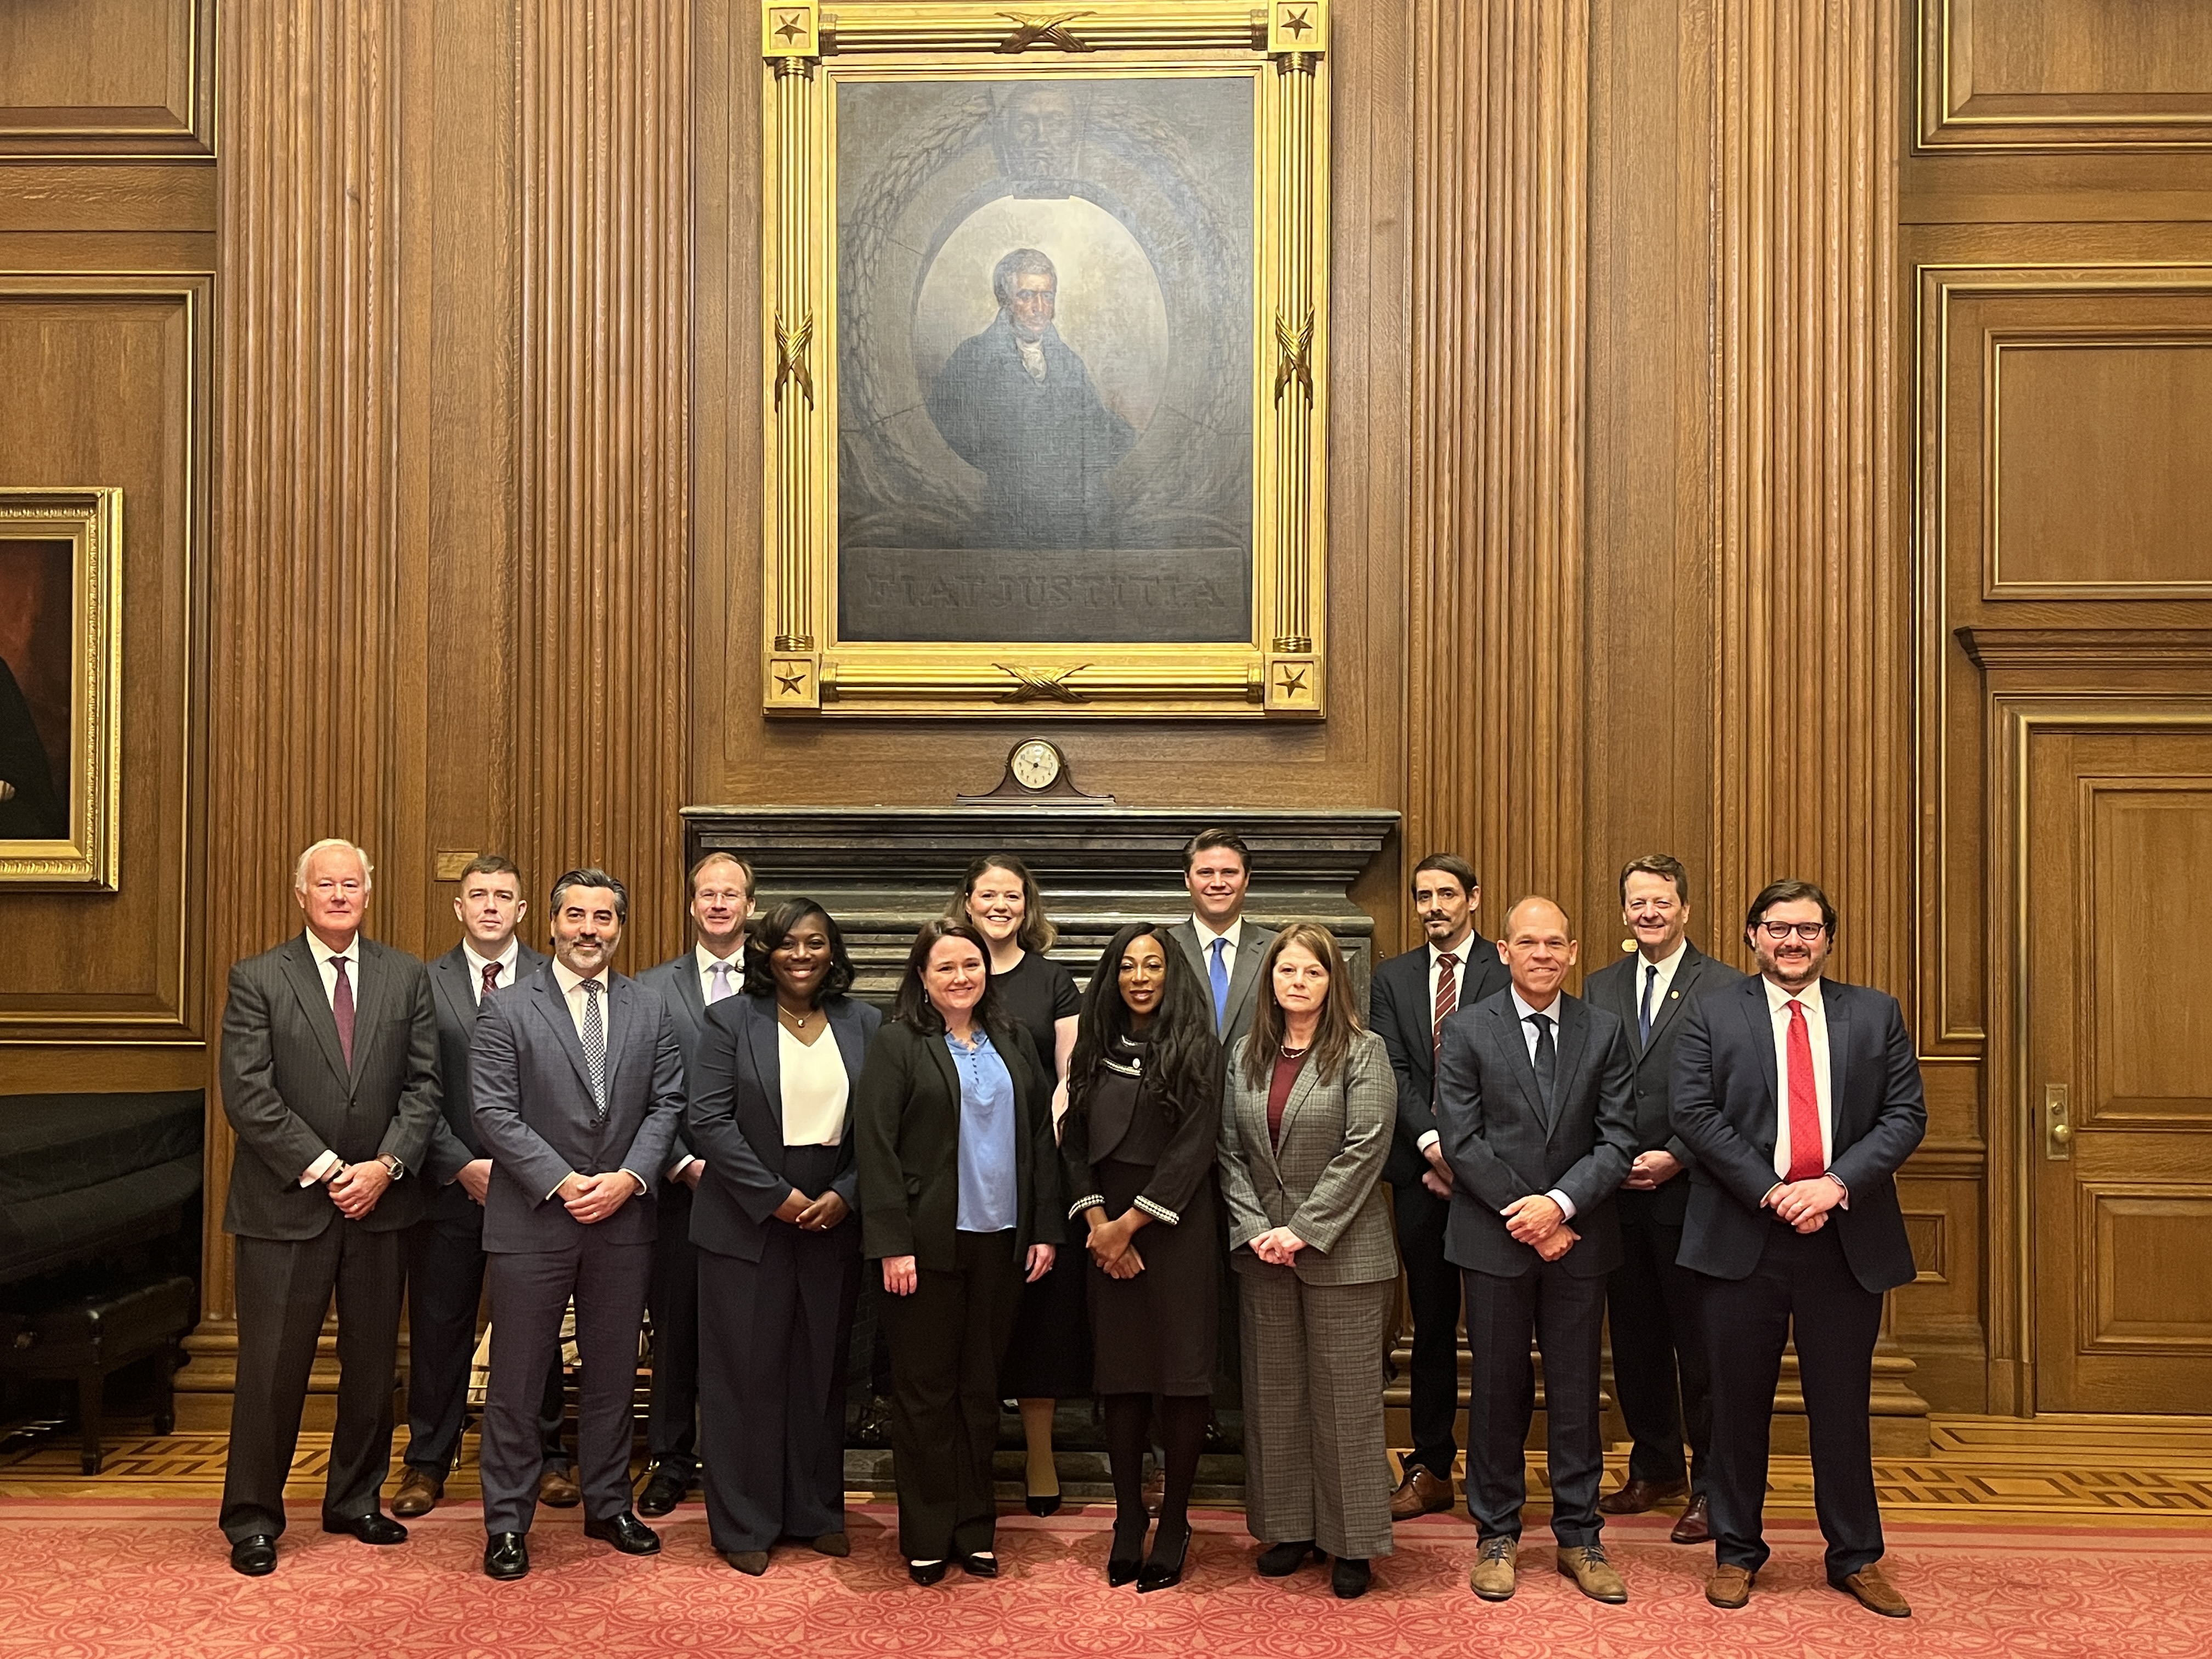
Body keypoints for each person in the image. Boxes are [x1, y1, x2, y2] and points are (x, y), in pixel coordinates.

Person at [1669, 879, 1926, 1618]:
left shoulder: (1874, 1014)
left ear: (1828, 939)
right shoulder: (1713, 1013)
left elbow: (1906, 1115)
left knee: (1841, 1408)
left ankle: (1854, 1555)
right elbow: (1692, 1112)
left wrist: (1834, 1184)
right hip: (1742, 1237)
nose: (1792, 942)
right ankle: (1736, 1551)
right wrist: (1773, 1189)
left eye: (1807, 930)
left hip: (1845, 1240)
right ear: (1753, 935)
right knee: (1736, 1406)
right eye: (1778, 928)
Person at [216, 839, 440, 1577]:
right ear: (301, 893)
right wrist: (327, 1168)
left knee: (374, 1370)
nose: (339, 895)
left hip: (382, 1203)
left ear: (368, 894)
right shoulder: (257, 979)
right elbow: (248, 1095)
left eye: (352, 884)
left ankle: (354, 1500)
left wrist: (385, 1166)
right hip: (286, 1208)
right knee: (273, 1370)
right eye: (326, 884)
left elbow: (424, 1087)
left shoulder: (407, 977)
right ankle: (253, 1518)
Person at [470, 867, 686, 1581]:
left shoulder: (649, 1008)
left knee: (614, 1376)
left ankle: (608, 1503)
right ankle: (507, 1521)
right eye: (576, 916)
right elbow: (492, 1113)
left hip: (623, 1220)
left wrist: (627, 1179)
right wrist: (564, 1182)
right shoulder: (506, 1007)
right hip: (534, 1219)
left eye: (603, 918)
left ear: (620, 927)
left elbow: (667, 1106)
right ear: (554, 923)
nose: (589, 930)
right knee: (518, 1379)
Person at [1435, 896, 1637, 1606]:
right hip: (1494, 1239)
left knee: (1579, 1393)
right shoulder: (1464, 1031)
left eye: (1555, 942)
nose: (1543, 954)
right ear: (1503, 949)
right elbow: (1460, 1140)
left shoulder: (1605, 1031)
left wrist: (1561, 1206)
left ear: (1574, 951)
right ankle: (1497, 1535)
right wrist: (1531, 1214)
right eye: (1529, 942)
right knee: (1495, 1391)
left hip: (1581, 1240)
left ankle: (1581, 1536)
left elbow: (1618, 1139)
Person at [854, 919, 1060, 1585]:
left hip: (1002, 1245)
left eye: (971, 965)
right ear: (922, 977)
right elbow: (876, 1148)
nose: (961, 977)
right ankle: (926, 1531)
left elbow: (1040, 1144)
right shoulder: (897, 1044)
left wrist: (1044, 1228)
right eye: (945, 967)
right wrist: (892, 1243)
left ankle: (975, 1530)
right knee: (924, 1397)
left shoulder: (1013, 1041)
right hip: (925, 1249)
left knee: (980, 1394)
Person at [686, 898, 881, 1575]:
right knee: (745, 1374)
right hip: (747, 1219)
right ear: (764, 951)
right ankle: (745, 1523)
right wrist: (775, 1198)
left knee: (821, 1373)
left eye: (816, 943)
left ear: (834, 952)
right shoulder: (728, 1021)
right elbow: (708, 1120)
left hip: (831, 1217)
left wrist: (845, 1195)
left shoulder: (865, 1022)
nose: (802, 954)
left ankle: (815, 1511)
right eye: (788, 943)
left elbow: (881, 1129)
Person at [1217, 923, 1397, 1601]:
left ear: (1333, 982)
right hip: (1263, 1253)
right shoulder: (1244, 1055)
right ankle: (1290, 1528)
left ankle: (1351, 1543)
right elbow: (1228, 1151)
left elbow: (1366, 1148)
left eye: (1313, 973)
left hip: (1343, 1253)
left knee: (1346, 1404)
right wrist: (1260, 1229)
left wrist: (1303, 1230)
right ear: (1270, 980)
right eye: (1287, 971)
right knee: (1275, 1398)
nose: (1298, 983)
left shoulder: (1363, 1050)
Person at [394, 855, 576, 1518]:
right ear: (459, 908)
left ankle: (550, 1459)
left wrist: (529, 1168)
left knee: (537, 1330)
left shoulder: (554, 978)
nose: (491, 906)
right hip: (452, 1186)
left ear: (526, 912)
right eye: (479, 895)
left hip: (533, 1189)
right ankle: (427, 1463)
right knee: (440, 1328)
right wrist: (459, 1163)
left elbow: (568, 1090)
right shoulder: (423, 982)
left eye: (504, 896)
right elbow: (414, 1085)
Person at [1579, 853, 1743, 1545]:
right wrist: (1616, 1158)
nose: (1649, 913)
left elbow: (1739, 1091)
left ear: (1685, 909)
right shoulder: (1597, 985)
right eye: (1637, 903)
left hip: (1696, 1192)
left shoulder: (1729, 988)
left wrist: (1677, 1153)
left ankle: (1710, 1483)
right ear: (1624, 912)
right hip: (1618, 1197)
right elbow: (1589, 1082)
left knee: (1701, 1346)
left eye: (1662, 902)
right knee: (1637, 1341)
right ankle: (1654, 1466)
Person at [1059, 923, 1223, 1592]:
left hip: (1175, 1228)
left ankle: (1177, 1520)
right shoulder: (1095, 1045)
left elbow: (1196, 1144)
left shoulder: (1198, 1046)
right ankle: (1131, 1518)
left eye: (1153, 965)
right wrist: (1100, 1223)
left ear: (1171, 973)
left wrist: (1131, 1224)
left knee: (1181, 1378)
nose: (1140, 977)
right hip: (1104, 1233)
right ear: (1112, 975)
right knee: (1122, 1377)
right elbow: (1073, 1143)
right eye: (1127, 966)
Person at [1366, 853, 1508, 1521]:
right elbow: (1392, 1069)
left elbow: (1514, 1077)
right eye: (1423, 896)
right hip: (1422, 1180)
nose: (1433, 907)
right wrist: (1433, 1147)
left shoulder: (1504, 970)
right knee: (1428, 1328)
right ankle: (1429, 1465)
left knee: (1497, 1330)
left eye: (1446, 894)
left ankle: (1497, 1470)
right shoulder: (1390, 979)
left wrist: (1472, 1162)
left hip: (1498, 1184)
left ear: (1473, 899)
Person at [948, 853, 1084, 1518]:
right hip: (958, 1177)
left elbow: (1070, 1071)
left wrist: (1044, 1142)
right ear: (967, 903)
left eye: (1012, 896)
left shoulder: (1052, 980)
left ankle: (1038, 1453)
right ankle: (963, 1456)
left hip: (1035, 1168)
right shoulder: (947, 969)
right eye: (987, 895)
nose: (1000, 906)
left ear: (1027, 908)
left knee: (1039, 1317)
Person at [632, 850, 755, 1516]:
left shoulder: (776, 986)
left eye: (730, 894)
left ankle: (742, 1462)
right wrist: (680, 1162)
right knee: (676, 1331)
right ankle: (671, 1461)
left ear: (749, 907)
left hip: (758, 1195)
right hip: (680, 1191)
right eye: (707, 893)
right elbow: (641, 1091)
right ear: (691, 905)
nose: (717, 904)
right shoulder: (650, 989)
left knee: (747, 1334)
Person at [926, 246, 1137, 549]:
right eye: (1027, 295)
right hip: (998, 519)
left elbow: (1097, 430)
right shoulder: (971, 360)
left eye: (1047, 296)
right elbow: (949, 451)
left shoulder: (1069, 363)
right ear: (1005, 301)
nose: (1040, 307)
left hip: (1069, 523)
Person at [1170, 828, 1277, 1048]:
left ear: (1246, 879)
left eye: (1229, 872)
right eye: (1206, 873)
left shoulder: (1278, 950)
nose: (1218, 883)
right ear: (1187, 879)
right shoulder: (1162, 948)